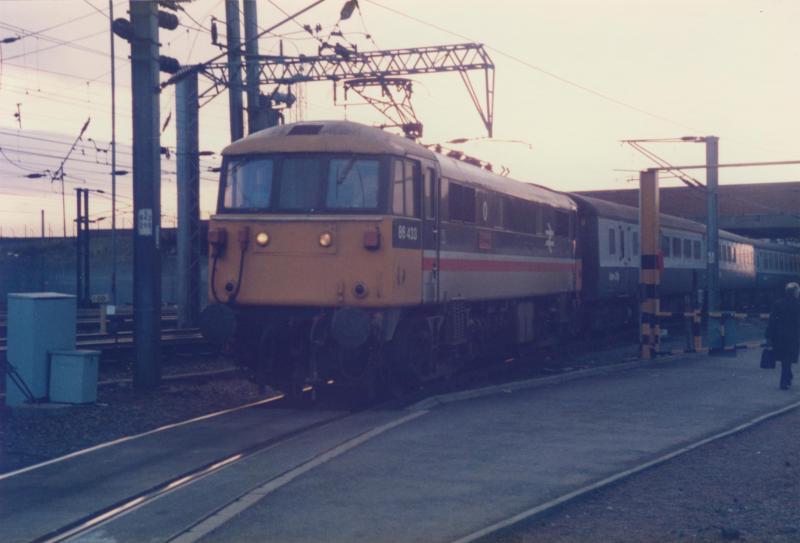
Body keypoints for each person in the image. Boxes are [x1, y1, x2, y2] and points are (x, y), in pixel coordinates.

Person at [765, 282, 800, 390]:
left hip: (779, 337)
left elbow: (772, 321)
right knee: (787, 359)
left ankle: (787, 377)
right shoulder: (798, 305)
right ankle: (784, 382)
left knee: (785, 359)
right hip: (793, 337)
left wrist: (768, 336)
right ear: (794, 292)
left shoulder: (778, 303)